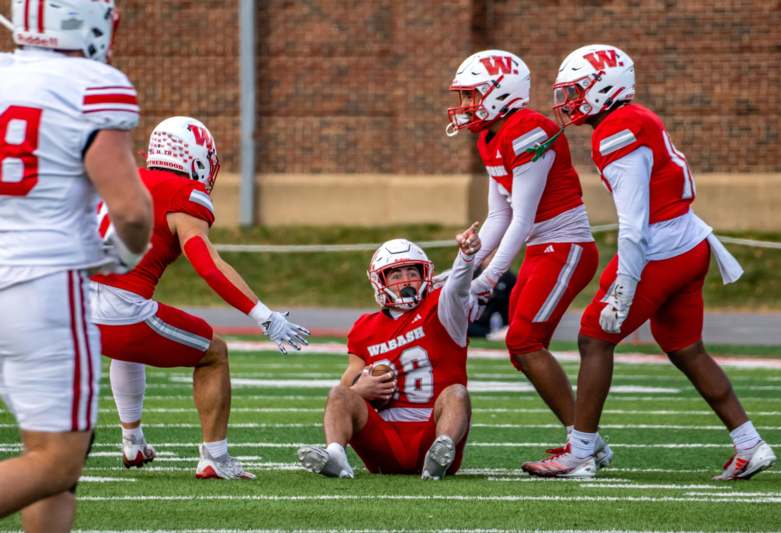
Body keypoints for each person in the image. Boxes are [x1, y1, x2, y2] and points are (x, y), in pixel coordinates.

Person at [525, 44, 775, 479]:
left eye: (577, 90)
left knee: (594, 338)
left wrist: (624, 286)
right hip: (689, 241)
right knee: (686, 349)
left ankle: (581, 451)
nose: (568, 101)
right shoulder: (634, 118)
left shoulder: (618, 131)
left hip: (660, 249)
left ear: (606, 86)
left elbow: (634, 224)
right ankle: (750, 443)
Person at [0, 0, 153, 529]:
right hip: (40, 282)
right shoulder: (92, 83)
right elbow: (131, 211)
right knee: (58, 458)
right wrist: (122, 256)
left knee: (49, 461)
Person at [90, 116, 310, 480]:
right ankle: (215, 457)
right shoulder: (183, 194)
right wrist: (264, 315)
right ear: (195, 157)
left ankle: (132, 442)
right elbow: (208, 266)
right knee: (213, 353)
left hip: (68, 303)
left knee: (126, 349)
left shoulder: (118, 177)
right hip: (119, 307)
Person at [445, 49, 611, 468]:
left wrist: (487, 279)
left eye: (471, 96)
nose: (464, 106)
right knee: (520, 351)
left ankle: (582, 448)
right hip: (543, 248)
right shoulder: (490, 135)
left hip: (566, 246)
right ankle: (589, 443)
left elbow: (523, 216)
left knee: (523, 341)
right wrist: (461, 271)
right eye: (463, 97)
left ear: (501, 93)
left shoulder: (528, 130)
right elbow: (498, 215)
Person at [297, 224, 481, 480]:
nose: (405, 280)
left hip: (432, 427)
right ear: (380, 282)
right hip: (386, 436)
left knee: (457, 394)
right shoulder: (364, 326)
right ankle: (336, 455)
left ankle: (440, 452)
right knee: (338, 394)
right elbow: (347, 384)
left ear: (425, 275)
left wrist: (466, 257)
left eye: (411, 272)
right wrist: (359, 390)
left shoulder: (442, 308)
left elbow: (459, 287)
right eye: (395, 275)